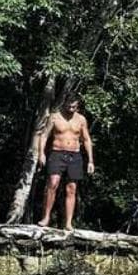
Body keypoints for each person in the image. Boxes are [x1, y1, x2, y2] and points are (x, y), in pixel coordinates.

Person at [33, 96, 96, 231]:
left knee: (71, 188)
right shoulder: (55, 117)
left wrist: (90, 160)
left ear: (77, 107)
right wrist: (41, 153)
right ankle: (46, 218)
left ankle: (68, 223)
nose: (71, 109)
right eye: (69, 106)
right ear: (64, 104)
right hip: (57, 153)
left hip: (75, 155)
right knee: (53, 183)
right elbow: (44, 135)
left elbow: (86, 139)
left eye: (74, 107)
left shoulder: (81, 119)